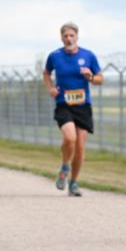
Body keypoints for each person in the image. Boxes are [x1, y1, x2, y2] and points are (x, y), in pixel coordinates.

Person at [43, 22, 103, 197]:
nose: (69, 39)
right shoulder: (54, 56)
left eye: (72, 35)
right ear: (61, 37)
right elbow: (46, 73)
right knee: (70, 138)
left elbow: (100, 78)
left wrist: (90, 77)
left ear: (77, 37)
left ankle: (74, 183)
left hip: (83, 106)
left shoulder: (88, 55)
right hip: (64, 104)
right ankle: (64, 166)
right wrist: (50, 88)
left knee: (80, 148)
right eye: (65, 36)